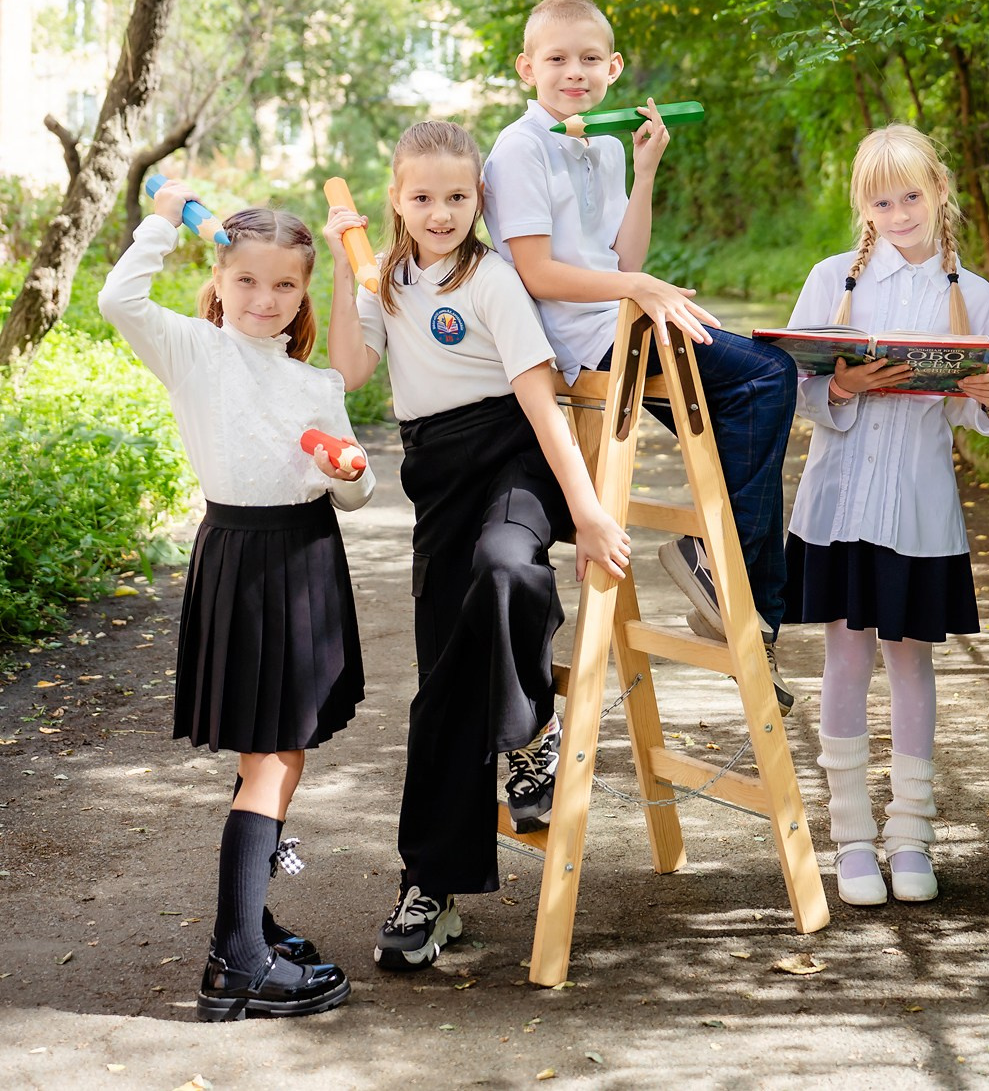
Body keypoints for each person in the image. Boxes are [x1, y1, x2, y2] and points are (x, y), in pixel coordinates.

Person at [323, 119, 630, 972]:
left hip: (513, 456)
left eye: (457, 196)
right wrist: (347, 280)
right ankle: (431, 886)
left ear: (479, 198)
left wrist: (590, 509)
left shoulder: (492, 277)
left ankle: (531, 732)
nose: (440, 210)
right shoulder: (380, 276)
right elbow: (350, 375)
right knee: (442, 692)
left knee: (506, 568)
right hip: (437, 473)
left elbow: (538, 400)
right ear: (395, 199)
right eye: (422, 196)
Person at [482, 0, 799, 715]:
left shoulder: (605, 139)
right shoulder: (520, 147)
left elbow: (622, 252)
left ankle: (733, 588)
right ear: (528, 66)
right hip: (576, 335)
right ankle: (731, 584)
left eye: (590, 59)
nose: (574, 71)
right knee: (761, 379)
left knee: (753, 384)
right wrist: (638, 287)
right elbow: (536, 273)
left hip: (617, 318)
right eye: (557, 59)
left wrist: (647, 171)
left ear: (614, 67)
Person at [99, 190, 372, 1021]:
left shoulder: (312, 381)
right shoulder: (194, 351)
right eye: (247, 281)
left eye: (284, 286)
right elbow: (118, 299)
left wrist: (348, 474)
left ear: (302, 293)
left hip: (307, 558)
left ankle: (249, 923)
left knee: (278, 751)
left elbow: (350, 497)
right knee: (273, 756)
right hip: (243, 561)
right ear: (218, 280)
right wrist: (165, 214)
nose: (264, 300)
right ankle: (237, 965)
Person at [783, 127, 989, 906]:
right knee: (844, 657)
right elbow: (799, 388)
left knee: (911, 660)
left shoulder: (974, 294)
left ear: (938, 190)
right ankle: (849, 839)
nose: (899, 211)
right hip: (838, 504)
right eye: (882, 200)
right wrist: (841, 387)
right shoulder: (829, 280)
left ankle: (910, 833)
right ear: (862, 206)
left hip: (918, 511)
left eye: (911, 195)